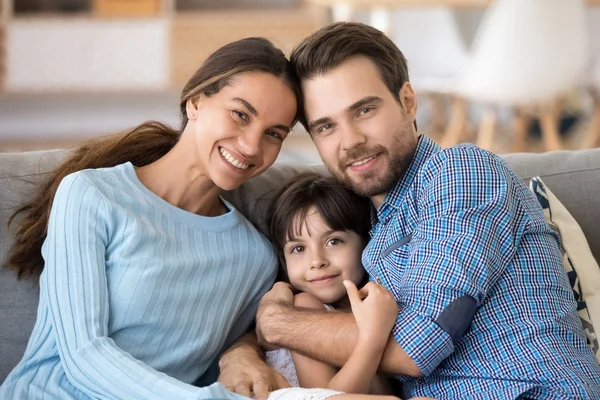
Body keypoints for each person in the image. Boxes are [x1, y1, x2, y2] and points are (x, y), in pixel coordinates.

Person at [217, 22, 600, 400]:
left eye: (364, 110)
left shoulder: (459, 172)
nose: (351, 141)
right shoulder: (359, 224)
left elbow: (415, 347)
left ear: (408, 101)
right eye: (326, 126)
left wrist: (275, 321)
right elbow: (319, 312)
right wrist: (243, 349)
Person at [0, 37, 300, 400]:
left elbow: (210, 369)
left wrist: (242, 352)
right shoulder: (92, 195)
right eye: (240, 114)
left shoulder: (254, 259)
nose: (252, 146)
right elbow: (83, 354)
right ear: (195, 102)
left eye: (273, 134)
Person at [264, 172, 401, 400]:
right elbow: (325, 396)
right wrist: (373, 338)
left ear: (366, 243)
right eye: (298, 249)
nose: (317, 261)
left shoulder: (367, 308)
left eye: (333, 241)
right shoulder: (302, 306)